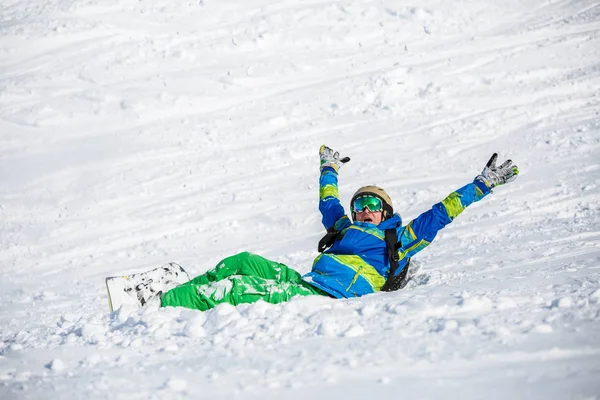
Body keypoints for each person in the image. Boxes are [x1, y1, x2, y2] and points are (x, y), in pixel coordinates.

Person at [158, 145, 519, 311]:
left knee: (237, 289)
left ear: (385, 211)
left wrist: (482, 184)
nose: (364, 211)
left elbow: (442, 212)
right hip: (306, 282)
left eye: (372, 205)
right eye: (359, 205)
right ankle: (181, 291)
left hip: (328, 298)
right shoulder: (344, 229)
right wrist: (328, 167)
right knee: (241, 260)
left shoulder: (398, 239)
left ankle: (159, 305)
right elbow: (328, 202)